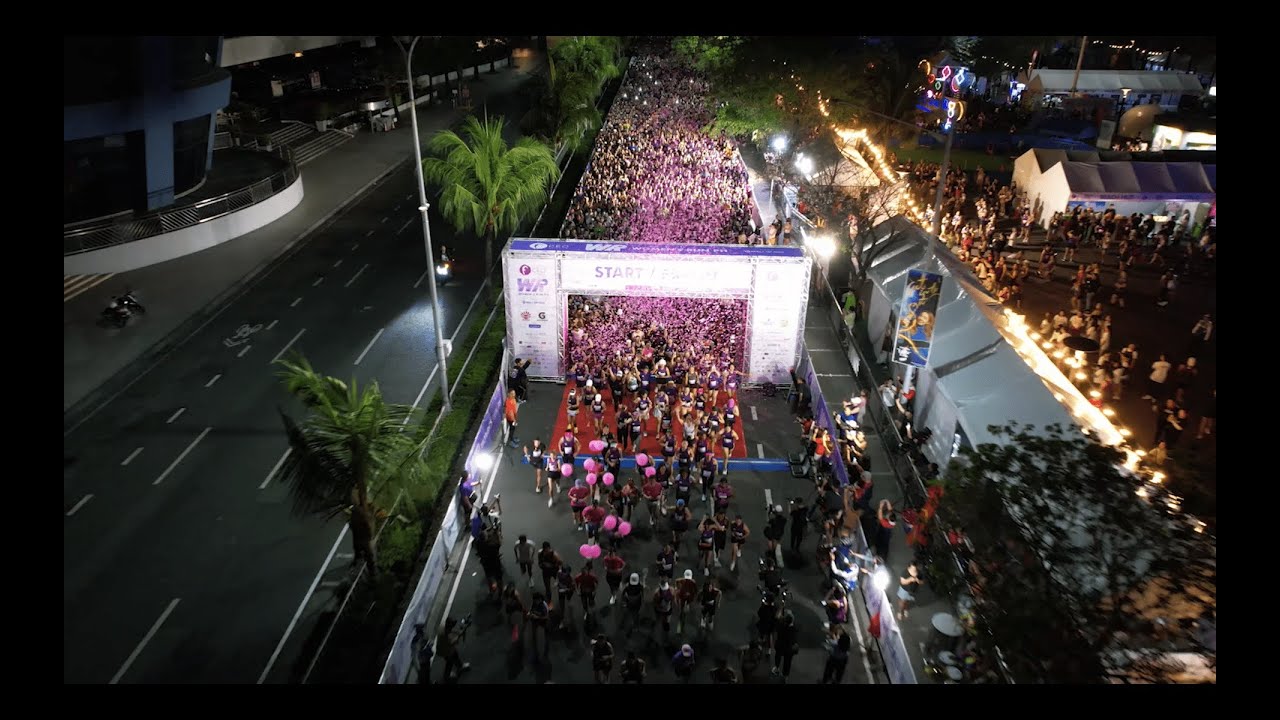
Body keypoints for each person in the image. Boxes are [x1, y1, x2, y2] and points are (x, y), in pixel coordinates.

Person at [435, 618, 471, 682]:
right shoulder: (443, 634)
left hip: (446, 648)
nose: (452, 626)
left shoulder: (443, 626)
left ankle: (460, 666)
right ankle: (447, 676)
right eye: (451, 625)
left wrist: (458, 632)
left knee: (455, 655)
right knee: (450, 663)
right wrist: (459, 635)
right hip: (445, 650)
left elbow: (451, 631)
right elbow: (451, 642)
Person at [773, 611, 799, 681]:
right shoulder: (794, 629)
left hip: (780, 646)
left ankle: (777, 668)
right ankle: (785, 675)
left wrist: (780, 615)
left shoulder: (781, 627)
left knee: (778, 656)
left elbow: (777, 619)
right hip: (789, 649)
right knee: (787, 662)